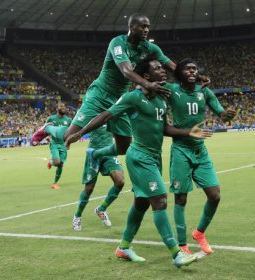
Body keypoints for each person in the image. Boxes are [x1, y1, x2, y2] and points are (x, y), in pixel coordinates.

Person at [65, 58, 213, 267]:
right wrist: (79, 133)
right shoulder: (132, 98)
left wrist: (188, 132)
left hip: (154, 157)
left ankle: (123, 247)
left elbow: (164, 128)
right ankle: (177, 254)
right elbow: (105, 115)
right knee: (160, 200)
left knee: (141, 204)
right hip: (139, 157)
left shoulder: (161, 98)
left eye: (162, 67)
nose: (163, 70)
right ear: (145, 76)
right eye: (157, 68)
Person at [32, 13, 209, 163]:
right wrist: (147, 83)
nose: (146, 30)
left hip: (121, 97)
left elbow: (172, 66)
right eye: (142, 26)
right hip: (100, 94)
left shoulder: (150, 47)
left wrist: (193, 76)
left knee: (123, 147)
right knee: (67, 136)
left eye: (148, 27)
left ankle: (95, 154)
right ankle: (48, 128)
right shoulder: (118, 43)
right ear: (131, 27)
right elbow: (126, 70)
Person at [164, 59, 236, 255]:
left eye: (195, 68)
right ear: (179, 73)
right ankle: (182, 244)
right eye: (188, 68)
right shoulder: (171, 90)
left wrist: (227, 114)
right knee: (181, 198)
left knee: (215, 195)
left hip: (200, 151)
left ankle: (199, 233)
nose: (192, 71)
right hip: (180, 150)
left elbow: (221, 114)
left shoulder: (204, 91)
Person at [72, 125, 124, 231]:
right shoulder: (92, 110)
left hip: (109, 151)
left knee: (120, 181)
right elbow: (78, 127)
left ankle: (101, 209)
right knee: (89, 188)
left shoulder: (113, 110)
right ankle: (77, 216)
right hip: (94, 153)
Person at [45, 103, 72, 190]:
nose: (63, 108)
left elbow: (70, 133)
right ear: (57, 108)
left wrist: (69, 143)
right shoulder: (51, 118)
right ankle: (51, 162)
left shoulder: (68, 120)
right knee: (57, 162)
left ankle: (55, 183)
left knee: (61, 164)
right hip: (54, 143)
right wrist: (48, 138)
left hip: (63, 144)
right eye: (61, 107)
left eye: (64, 107)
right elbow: (46, 129)